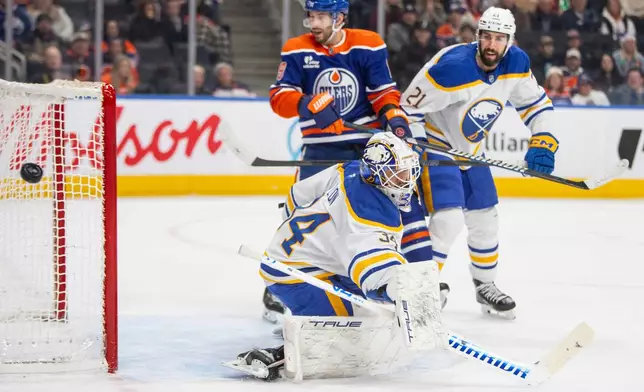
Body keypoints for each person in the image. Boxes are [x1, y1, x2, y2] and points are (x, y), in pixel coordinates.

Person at [263, 0, 433, 323]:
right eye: (311, 15)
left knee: (404, 205)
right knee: (301, 213)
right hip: (319, 152)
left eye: (321, 16)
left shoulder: (368, 43)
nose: (313, 22)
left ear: (340, 18)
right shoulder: (297, 49)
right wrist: (306, 102)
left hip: (364, 150)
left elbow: (384, 94)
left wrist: (396, 120)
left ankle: (418, 282)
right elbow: (278, 97)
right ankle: (285, 282)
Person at [400, 7, 559, 319]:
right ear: (477, 36)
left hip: (471, 151)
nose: (491, 44)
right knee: (448, 219)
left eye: (499, 38)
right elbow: (407, 109)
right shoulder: (451, 67)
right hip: (436, 143)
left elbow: (536, 104)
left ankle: (485, 286)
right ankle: (421, 288)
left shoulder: (516, 63)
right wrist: (414, 146)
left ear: (509, 41)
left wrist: (544, 140)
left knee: (486, 217)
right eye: (486, 36)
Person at [227, 132, 424, 381]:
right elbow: (373, 269)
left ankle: (304, 314)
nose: (406, 180)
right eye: (398, 173)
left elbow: (297, 195)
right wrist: (398, 287)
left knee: (372, 309)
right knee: (345, 330)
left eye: (407, 172)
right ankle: (282, 353)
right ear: (376, 172)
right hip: (293, 272)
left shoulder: (348, 170)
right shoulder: (368, 211)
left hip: (305, 257)